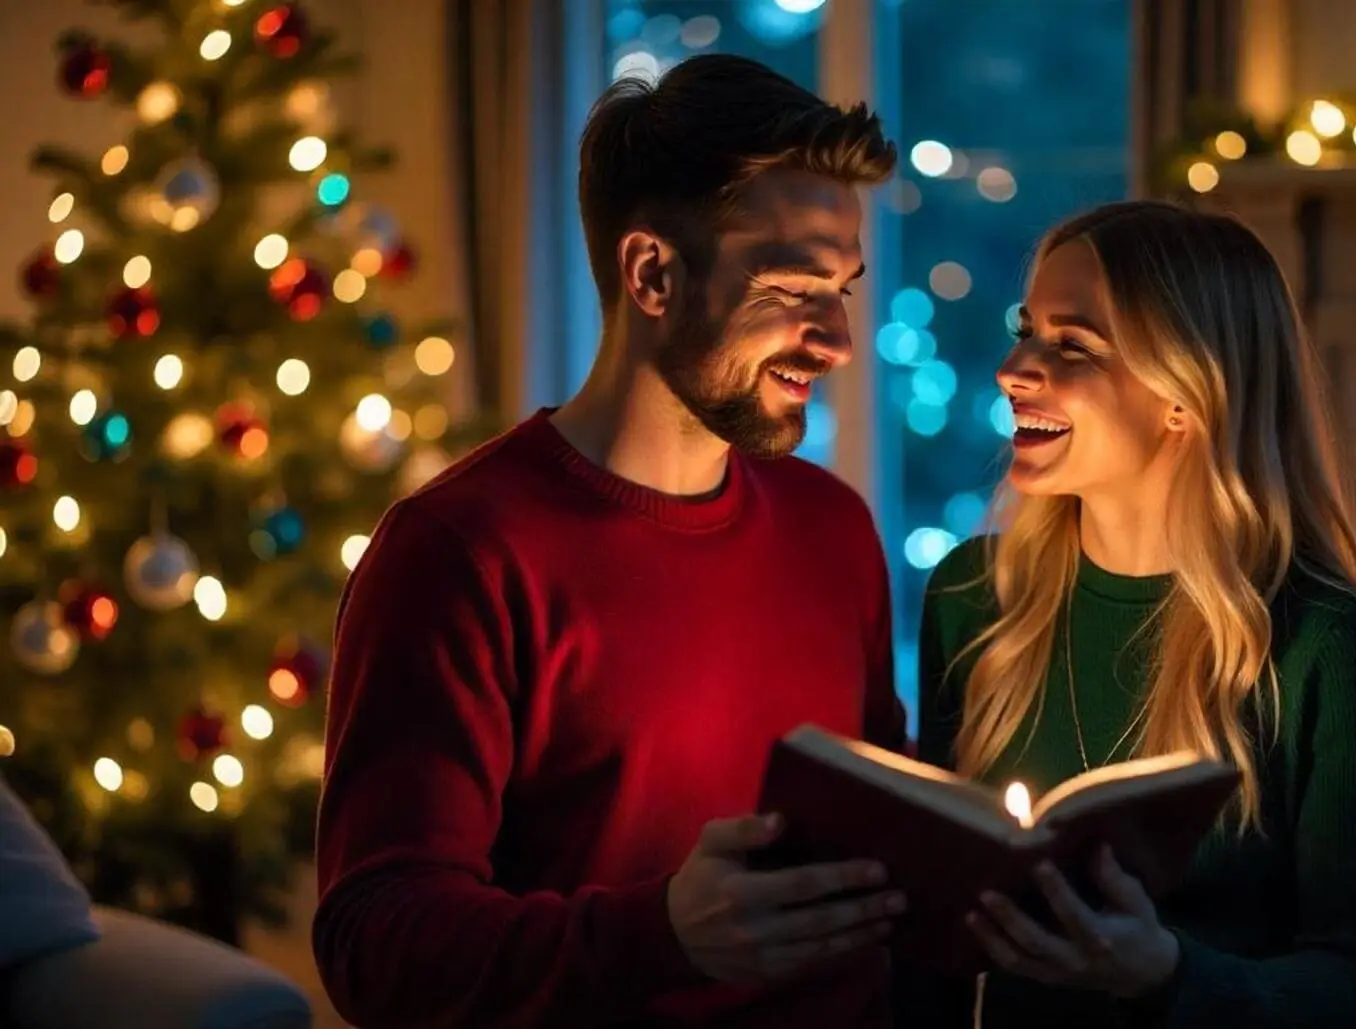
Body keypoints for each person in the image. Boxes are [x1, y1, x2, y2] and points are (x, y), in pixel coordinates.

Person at [313, 55, 911, 1028]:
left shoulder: (831, 526)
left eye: (844, 288)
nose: (838, 339)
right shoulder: (457, 552)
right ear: (652, 274)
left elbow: (886, 845)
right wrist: (662, 933)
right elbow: (377, 945)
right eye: (798, 286)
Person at [904, 200, 1356, 1028]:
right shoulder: (974, 597)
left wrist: (1168, 973)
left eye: (1070, 345)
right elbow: (931, 940)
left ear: (1186, 394)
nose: (1013, 366)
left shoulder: (1327, 643)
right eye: (1025, 327)